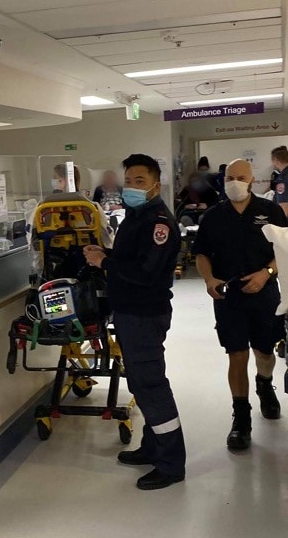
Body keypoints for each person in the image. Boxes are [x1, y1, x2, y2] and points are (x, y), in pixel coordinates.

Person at [83, 153, 185, 491]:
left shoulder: (158, 222)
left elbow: (146, 272)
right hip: (129, 312)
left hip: (144, 313)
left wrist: (105, 265)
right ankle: (153, 445)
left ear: (156, 184)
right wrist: (106, 256)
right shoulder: (136, 216)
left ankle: (171, 463)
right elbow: (131, 260)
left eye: (139, 181)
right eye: (129, 181)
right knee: (140, 384)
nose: (131, 187)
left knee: (151, 385)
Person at [193, 159, 288, 451]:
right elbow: (201, 254)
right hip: (228, 295)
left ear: (252, 180)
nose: (235, 182)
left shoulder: (269, 212)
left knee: (264, 351)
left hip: (264, 292)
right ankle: (241, 418)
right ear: (223, 181)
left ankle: (264, 383)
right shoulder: (212, 217)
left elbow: (285, 250)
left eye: (241, 177)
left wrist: (266, 273)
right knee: (236, 354)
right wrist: (209, 280)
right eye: (230, 177)